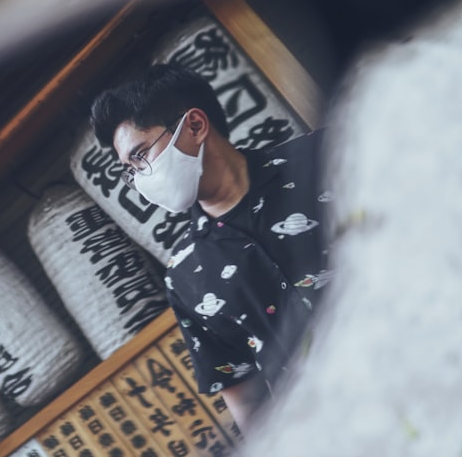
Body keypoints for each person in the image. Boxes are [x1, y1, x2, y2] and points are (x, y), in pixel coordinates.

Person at [90, 64, 332, 433]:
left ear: (195, 126)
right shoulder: (185, 275)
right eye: (129, 170)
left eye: (140, 156)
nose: (139, 178)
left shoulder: (323, 158)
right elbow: (246, 398)